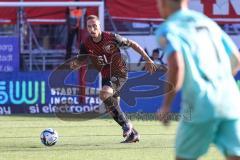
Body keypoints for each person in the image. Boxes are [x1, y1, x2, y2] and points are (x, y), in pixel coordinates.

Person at [155, 0, 240, 159]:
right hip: (231, 100)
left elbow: (177, 66)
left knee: (184, 157)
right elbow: (235, 59)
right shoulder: (208, 23)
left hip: (202, 102)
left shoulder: (169, 28)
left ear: (163, 4)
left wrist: (166, 106)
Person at [71, 15, 157, 143]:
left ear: (99, 26)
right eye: (89, 26)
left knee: (104, 93)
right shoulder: (86, 44)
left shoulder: (111, 37)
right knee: (111, 109)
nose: (92, 28)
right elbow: (81, 60)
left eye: (94, 25)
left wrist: (147, 59)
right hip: (106, 76)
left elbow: (132, 43)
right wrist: (75, 64)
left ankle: (126, 125)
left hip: (119, 72)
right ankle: (133, 135)